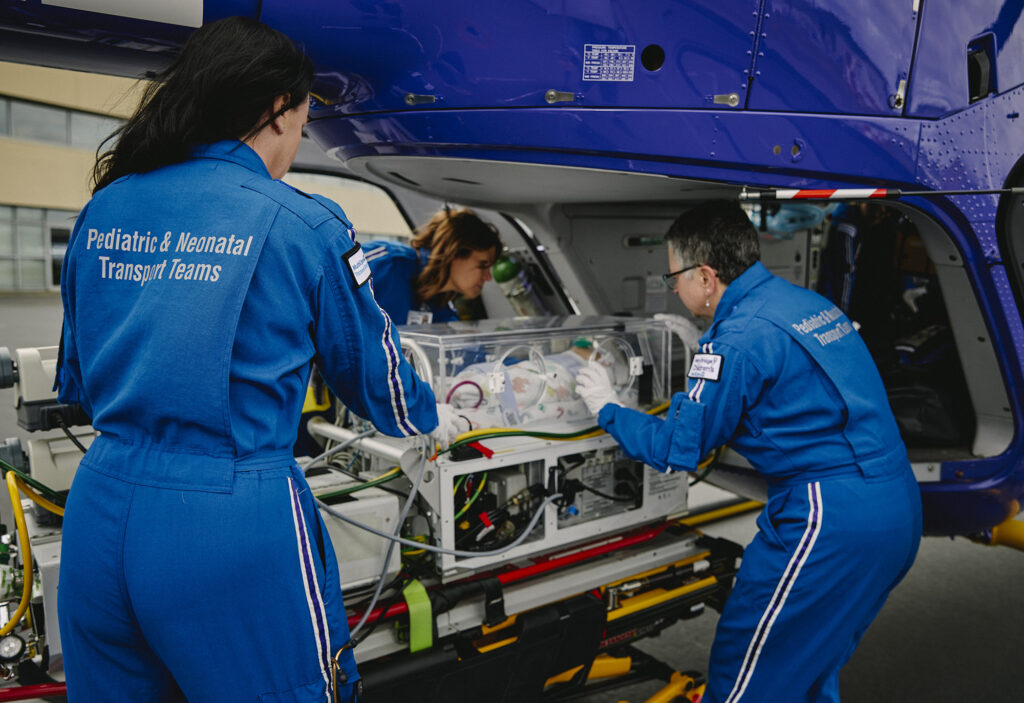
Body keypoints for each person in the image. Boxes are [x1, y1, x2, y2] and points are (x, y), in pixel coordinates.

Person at [54, 17, 464, 702]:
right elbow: (380, 385)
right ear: (277, 110)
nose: (295, 145)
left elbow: (76, 378)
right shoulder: (302, 223)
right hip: (228, 521)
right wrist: (434, 415)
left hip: (98, 514)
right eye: (302, 126)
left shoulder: (107, 206)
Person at [575, 201, 921, 702]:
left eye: (674, 277)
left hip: (830, 519)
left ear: (707, 277)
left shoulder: (735, 340)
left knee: (747, 669)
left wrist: (607, 407)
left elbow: (678, 447)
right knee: (807, 666)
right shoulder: (805, 304)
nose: (674, 288)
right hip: (895, 504)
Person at [363, 207, 502, 325]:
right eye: (483, 265)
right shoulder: (385, 262)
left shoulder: (438, 307)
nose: (488, 277)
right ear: (454, 252)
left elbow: (463, 349)